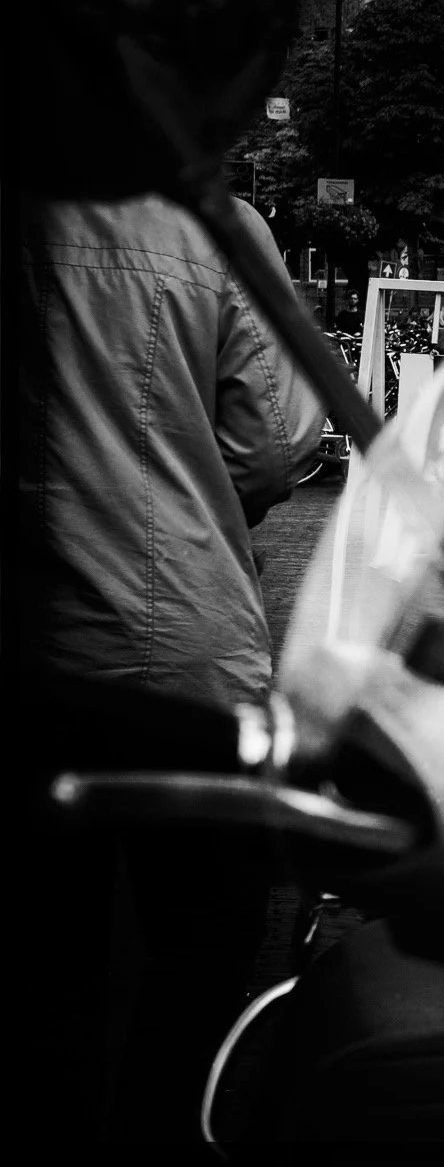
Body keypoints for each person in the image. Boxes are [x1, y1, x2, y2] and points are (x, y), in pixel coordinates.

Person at [15, 190, 327, 1140]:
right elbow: (276, 443)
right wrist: (173, 484)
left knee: (45, 968)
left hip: (32, 656)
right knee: (203, 944)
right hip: (179, 644)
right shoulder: (208, 223)